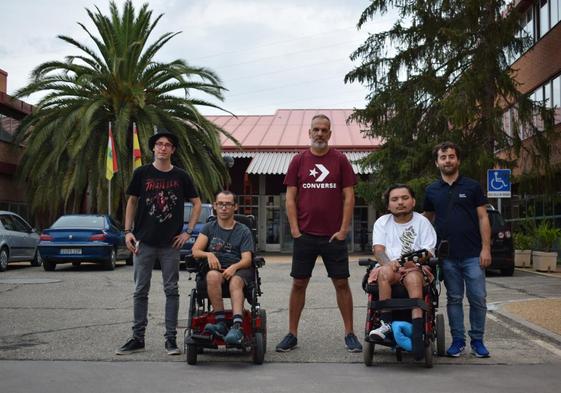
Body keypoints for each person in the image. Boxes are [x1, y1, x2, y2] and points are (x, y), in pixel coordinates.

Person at [276, 114, 362, 353]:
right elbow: (290, 197)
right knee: (299, 283)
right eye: (316, 129)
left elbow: (349, 197)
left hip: (333, 236)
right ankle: (292, 334)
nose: (320, 133)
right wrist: (295, 229)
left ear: (330, 134)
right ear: (309, 132)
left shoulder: (340, 160)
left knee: (342, 283)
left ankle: (349, 333)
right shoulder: (298, 160)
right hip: (305, 236)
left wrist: (344, 230)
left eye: (325, 130)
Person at [116, 129, 202, 356]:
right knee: (140, 291)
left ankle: (171, 340)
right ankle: (137, 338)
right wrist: (127, 231)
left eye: (168, 145)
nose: (163, 148)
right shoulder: (142, 173)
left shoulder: (181, 176)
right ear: (153, 148)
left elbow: (197, 203)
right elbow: (132, 202)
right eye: (159, 144)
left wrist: (188, 231)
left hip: (170, 245)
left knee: (171, 290)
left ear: (173, 150)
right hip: (143, 242)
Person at [423, 141, 492, 358]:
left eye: (451, 156)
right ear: (437, 162)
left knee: (478, 298)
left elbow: (483, 217)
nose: (448, 161)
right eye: (443, 158)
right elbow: (426, 221)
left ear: (458, 160)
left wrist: (486, 249)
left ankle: (478, 341)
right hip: (447, 257)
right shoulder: (431, 190)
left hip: (473, 254)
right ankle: (458, 341)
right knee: (453, 298)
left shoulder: (472, 187)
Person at [367, 184, 437, 360]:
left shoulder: (422, 222)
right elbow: (379, 250)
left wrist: (406, 263)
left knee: (413, 278)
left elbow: (428, 251)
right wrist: (388, 264)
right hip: (390, 268)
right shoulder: (382, 222)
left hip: (415, 268)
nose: (400, 202)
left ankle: (417, 323)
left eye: (405, 198)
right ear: (388, 205)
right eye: (395, 199)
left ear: (413, 202)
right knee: (383, 273)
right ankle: (386, 324)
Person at [191, 190, 254, 345]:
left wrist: (235, 267)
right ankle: (220, 323)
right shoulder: (209, 228)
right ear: (215, 206)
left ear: (235, 207)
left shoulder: (243, 230)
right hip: (216, 269)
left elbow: (247, 259)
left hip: (239, 269)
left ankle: (237, 326)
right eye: (220, 204)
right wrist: (209, 255)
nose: (224, 208)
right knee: (211, 276)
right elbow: (195, 251)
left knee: (235, 282)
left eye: (228, 204)